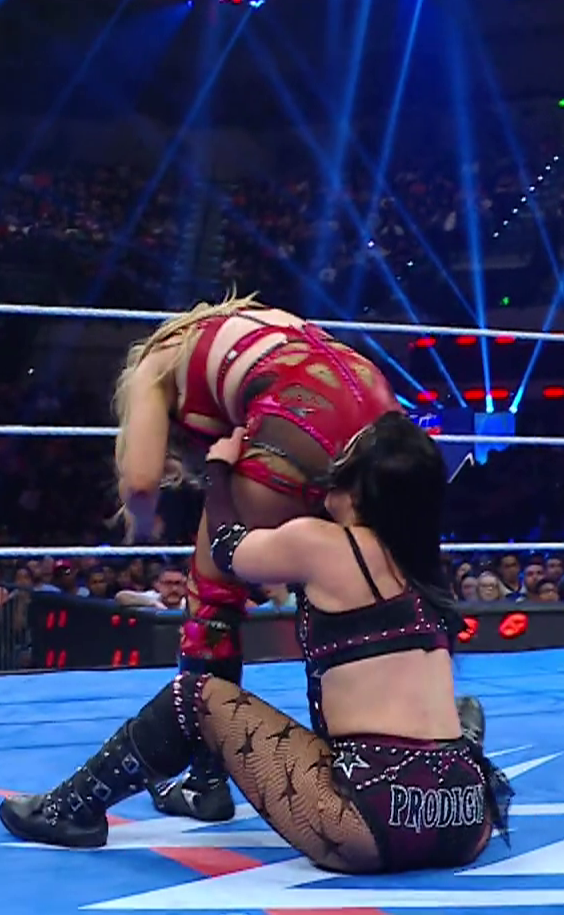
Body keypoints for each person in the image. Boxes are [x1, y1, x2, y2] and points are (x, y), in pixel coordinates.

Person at [0, 414, 510, 873]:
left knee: (194, 696)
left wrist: (219, 471)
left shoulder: (323, 544)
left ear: (359, 485)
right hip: (465, 820)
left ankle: (72, 809)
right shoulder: (424, 571)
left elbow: (227, 549)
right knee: (460, 709)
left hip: (374, 820)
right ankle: (192, 787)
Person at [111, 292, 401, 822]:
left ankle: (205, 780)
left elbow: (141, 481)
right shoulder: (260, 324)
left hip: (300, 413)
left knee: (212, 595)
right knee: (345, 576)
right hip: (381, 407)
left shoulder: (157, 359)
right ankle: (373, 754)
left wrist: (143, 520)